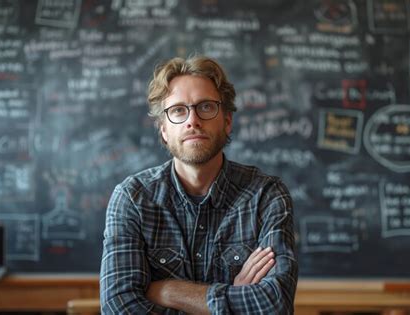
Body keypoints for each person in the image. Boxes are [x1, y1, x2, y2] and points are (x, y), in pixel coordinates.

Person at [100, 55, 298, 314]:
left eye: (205, 107)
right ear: (163, 130)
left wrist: (169, 291)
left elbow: (275, 305)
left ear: (227, 122)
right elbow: (118, 306)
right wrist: (232, 298)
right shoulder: (132, 198)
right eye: (178, 110)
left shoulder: (266, 196)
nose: (192, 120)